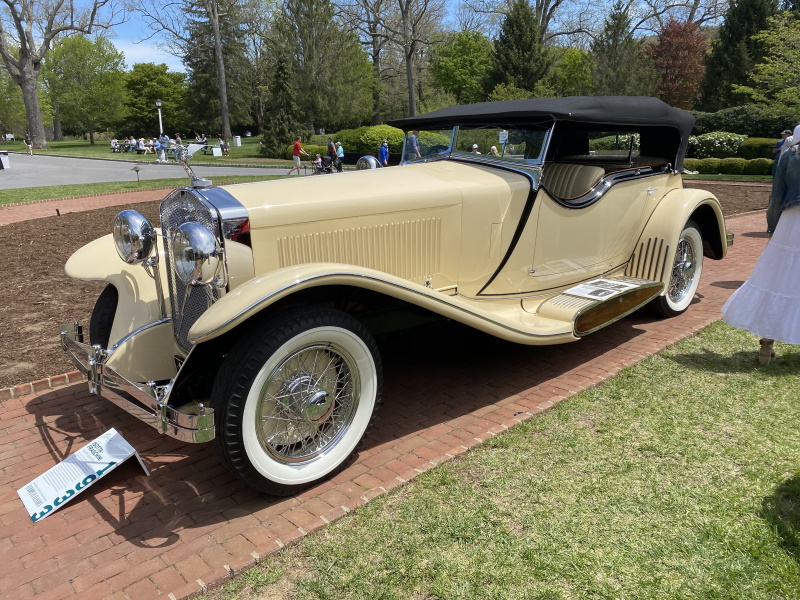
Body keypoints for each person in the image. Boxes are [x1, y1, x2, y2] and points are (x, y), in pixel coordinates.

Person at [722, 140, 800, 364]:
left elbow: (776, 195)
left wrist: (773, 228)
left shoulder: (791, 153)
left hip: (791, 221)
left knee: (778, 279)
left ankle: (767, 344)